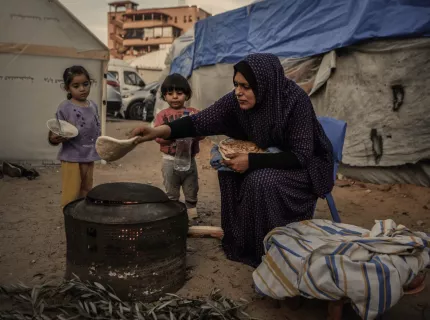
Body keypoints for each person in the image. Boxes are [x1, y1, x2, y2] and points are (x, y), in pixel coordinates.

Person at [130, 54, 334, 267]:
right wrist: (157, 131)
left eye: (246, 86)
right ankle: (241, 242)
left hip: (305, 166)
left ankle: (270, 249)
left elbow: (301, 155)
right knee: (227, 170)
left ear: (264, 84)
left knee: (260, 180)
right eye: (236, 84)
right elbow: (199, 121)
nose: (238, 92)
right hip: (269, 154)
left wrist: (251, 161)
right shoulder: (235, 102)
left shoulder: (294, 101)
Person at [48, 66, 101, 207]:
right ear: (67, 88)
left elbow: (96, 129)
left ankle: (81, 216)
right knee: (71, 192)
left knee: (86, 189)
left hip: (89, 156)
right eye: (76, 86)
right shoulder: (64, 107)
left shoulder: (93, 106)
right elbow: (54, 131)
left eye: (85, 84)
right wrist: (54, 138)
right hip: (71, 158)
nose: (82, 89)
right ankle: (70, 218)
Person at [155, 74, 203, 220]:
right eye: (170, 94)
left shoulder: (194, 114)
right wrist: (173, 135)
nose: (175, 97)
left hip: (189, 160)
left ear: (187, 95)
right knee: (171, 191)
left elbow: (203, 133)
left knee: (191, 188)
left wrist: (192, 135)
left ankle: (191, 215)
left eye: (179, 93)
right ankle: (173, 217)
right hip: (169, 160)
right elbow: (157, 137)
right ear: (164, 96)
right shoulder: (162, 116)